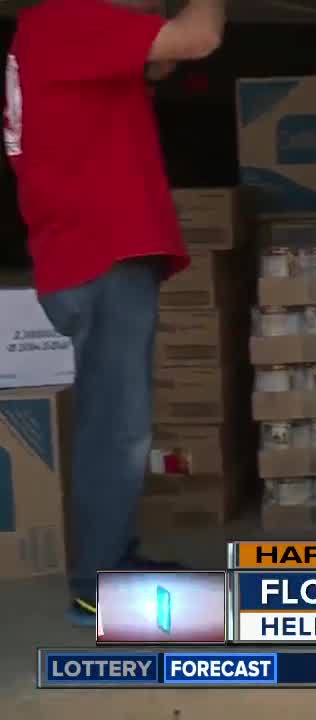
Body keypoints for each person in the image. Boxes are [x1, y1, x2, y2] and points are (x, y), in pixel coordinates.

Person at [5, 0, 226, 627]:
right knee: (117, 428)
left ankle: (114, 560)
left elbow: (159, 63)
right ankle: (95, 586)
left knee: (115, 421)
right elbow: (198, 37)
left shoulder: (50, 30)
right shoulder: (70, 19)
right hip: (100, 252)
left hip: (86, 252)